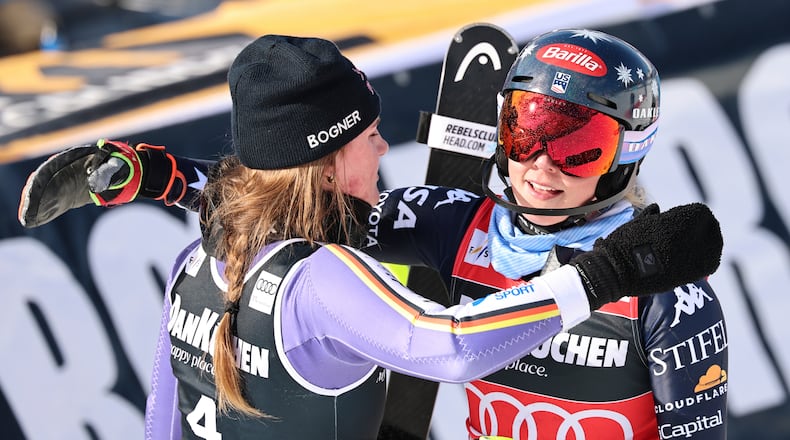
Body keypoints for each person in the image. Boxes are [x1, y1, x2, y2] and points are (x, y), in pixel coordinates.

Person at [17, 30, 726, 439]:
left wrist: (166, 180)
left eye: (576, 146)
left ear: (628, 152)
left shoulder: (662, 286)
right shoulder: (456, 223)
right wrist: (168, 178)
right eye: (525, 130)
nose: (540, 164)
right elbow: (295, 210)